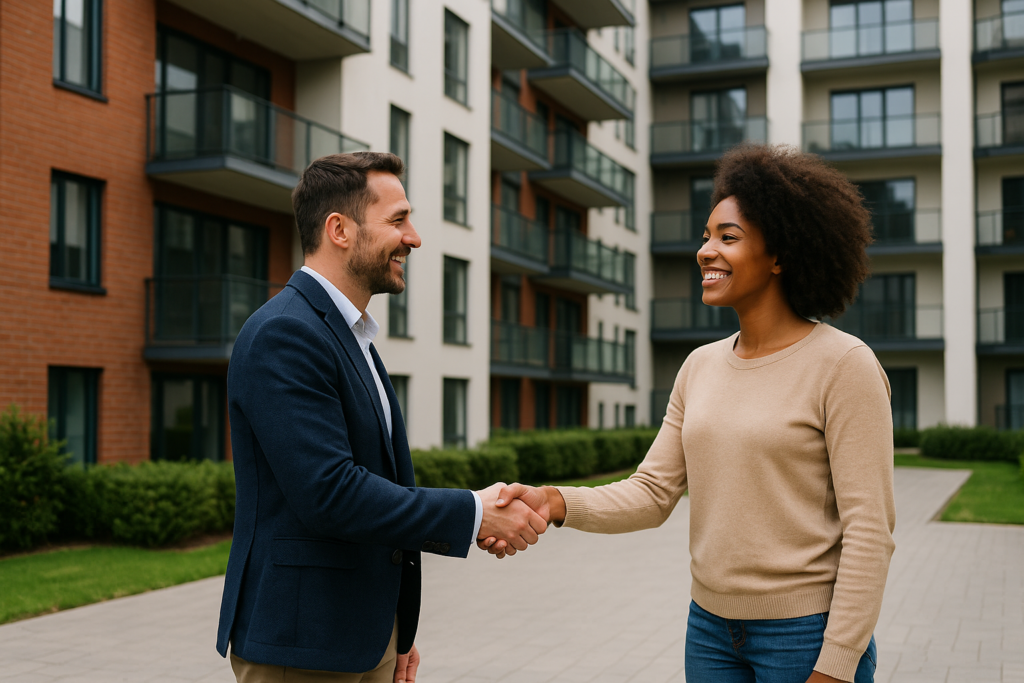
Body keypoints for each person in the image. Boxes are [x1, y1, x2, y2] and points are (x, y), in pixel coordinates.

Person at [485, 144, 896, 683]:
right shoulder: (700, 366)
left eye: (728, 237)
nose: (706, 250)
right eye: (706, 236)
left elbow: (870, 531)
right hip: (710, 630)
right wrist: (556, 501)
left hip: (804, 635)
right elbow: (653, 492)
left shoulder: (844, 365)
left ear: (780, 255)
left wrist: (838, 663)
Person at [216, 152, 547, 683]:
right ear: (339, 229)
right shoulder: (284, 333)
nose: (413, 238)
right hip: (303, 649)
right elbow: (331, 493)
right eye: (398, 220)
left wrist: (397, 632)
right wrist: (474, 513)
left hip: (363, 639)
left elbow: (378, 483)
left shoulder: (352, 335)